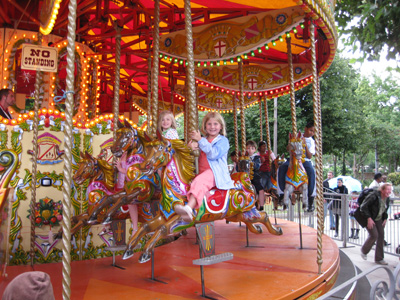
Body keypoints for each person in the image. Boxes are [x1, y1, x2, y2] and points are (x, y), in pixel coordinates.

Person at [174, 112, 234, 221]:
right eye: (209, 124)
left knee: (199, 181)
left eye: (215, 124)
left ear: (221, 126)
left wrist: (201, 140)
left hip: (215, 174)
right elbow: (191, 157)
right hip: (202, 172)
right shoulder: (203, 140)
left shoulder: (223, 141)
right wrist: (189, 148)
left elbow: (213, 154)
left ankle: (189, 208)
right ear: (205, 126)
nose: (212, 127)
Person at [278, 121, 316, 212]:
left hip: (305, 161)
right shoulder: (296, 136)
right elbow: (288, 149)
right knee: (281, 168)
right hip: (293, 159)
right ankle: (281, 194)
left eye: (313, 132)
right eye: (311, 130)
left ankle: (310, 197)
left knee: (311, 171)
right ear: (305, 129)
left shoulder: (312, 141)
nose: (312, 133)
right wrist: (291, 143)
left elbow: (310, 156)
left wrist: (305, 144)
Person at [360, 183, 392, 265]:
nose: (389, 191)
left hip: (378, 218)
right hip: (369, 217)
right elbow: (363, 206)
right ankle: (364, 250)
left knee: (381, 235)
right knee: (374, 235)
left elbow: (385, 209)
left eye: (390, 189)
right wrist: (369, 218)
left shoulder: (387, 198)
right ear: (382, 190)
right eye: (388, 189)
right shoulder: (374, 196)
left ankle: (379, 258)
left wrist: (385, 218)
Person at [246, 140, 264, 210]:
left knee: (261, 189)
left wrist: (251, 163)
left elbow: (257, 166)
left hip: (255, 175)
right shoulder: (244, 157)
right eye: (248, 148)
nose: (250, 150)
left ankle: (261, 205)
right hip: (246, 176)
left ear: (255, 150)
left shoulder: (257, 157)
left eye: (252, 148)